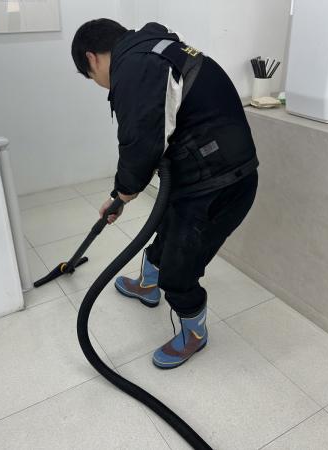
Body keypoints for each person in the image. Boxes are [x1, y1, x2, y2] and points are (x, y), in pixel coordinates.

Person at [71, 19, 259, 369]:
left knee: (179, 270)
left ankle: (194, 334)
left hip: (221, 186)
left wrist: (122, 194)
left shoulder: (136, 67)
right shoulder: (155, 50)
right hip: (203, 173)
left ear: (91, 58)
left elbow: (140, 143)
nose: (99, 84)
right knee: (166, 228)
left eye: (91, 76)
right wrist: (122, 194)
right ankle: (147, 286)